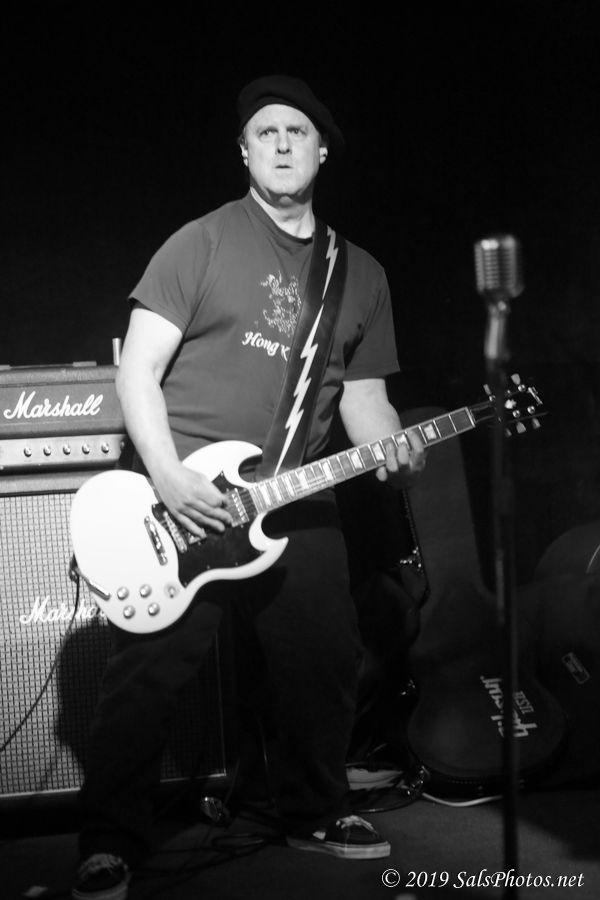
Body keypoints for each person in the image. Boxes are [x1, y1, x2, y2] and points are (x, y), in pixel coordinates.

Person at [71, 74, 426, 900]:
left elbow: (366, 401)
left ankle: (315, 810)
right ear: (243, 151)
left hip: (297, 496)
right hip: (187, 496)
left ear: (322, 150)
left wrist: (395, 447)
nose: (281, 144)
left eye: (297, 132)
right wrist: (167, 477)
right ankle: (109, 841)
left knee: (325, 659)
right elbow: (138, 371)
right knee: (148, 674)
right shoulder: (199, 242)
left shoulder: (360, 273)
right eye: (265, 132)